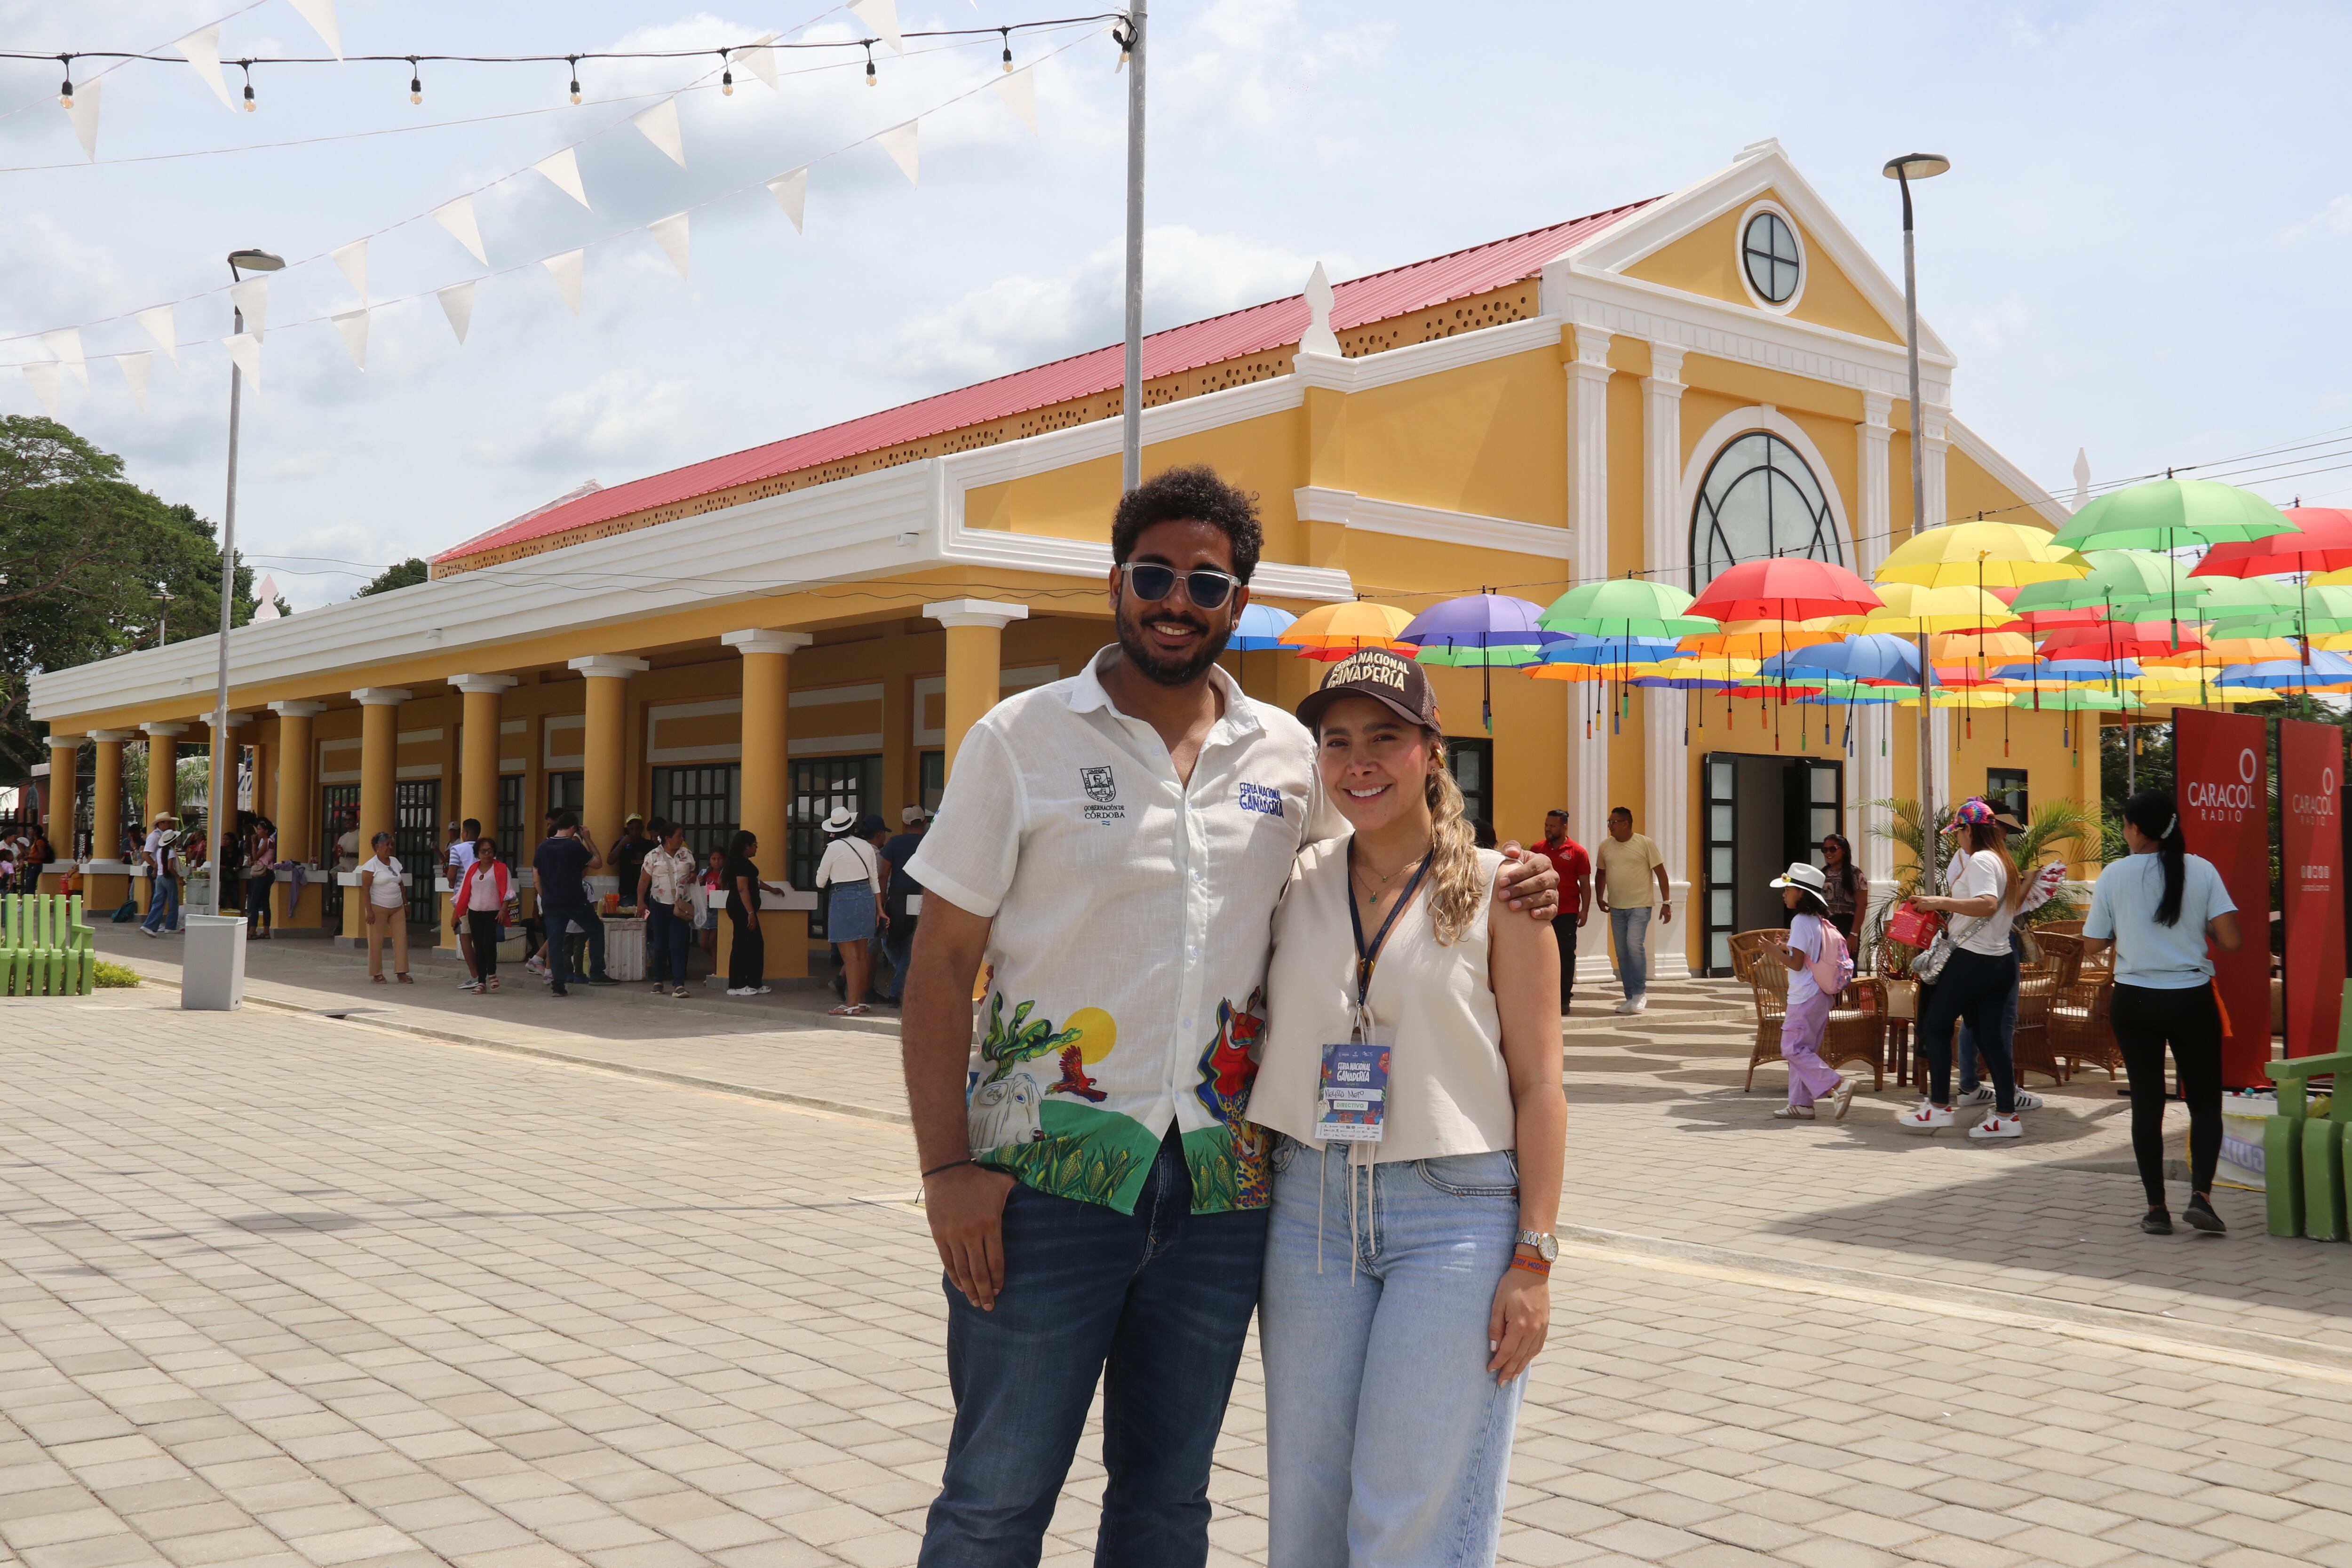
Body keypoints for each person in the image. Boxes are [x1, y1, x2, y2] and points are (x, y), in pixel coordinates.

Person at [897, 464, 1557, 1567]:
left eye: (1206, 582)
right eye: (1153, 573)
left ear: (1237, 604)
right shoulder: (1019, 739)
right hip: (1043, 1182)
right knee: (995, 1499)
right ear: (1116, 581)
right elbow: (938, 964)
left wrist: (1501, 875)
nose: (1176, 599)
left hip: (1223, 1192)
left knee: (1166, 1503)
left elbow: (1375, 853)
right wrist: (944, 1169)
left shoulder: (1286, 755)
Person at [1248, 651, 1565, 1567]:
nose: (1359, 760)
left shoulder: (1508, 891)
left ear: (1431, 750)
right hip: (1308, 1208)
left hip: (1453, 1218)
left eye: (1384, 737)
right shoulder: (1292, 878)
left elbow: (1540, 1083)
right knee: (1305, 1506)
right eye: (1337, 740)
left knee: (1407, 1515)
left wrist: (1534, 1257)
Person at [2083, 789, 2243, 1236]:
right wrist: (2204, 924)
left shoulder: (2115, 874)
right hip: (2192, 998)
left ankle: (2156, 1208)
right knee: (2206, 1102)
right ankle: (2202, 1198)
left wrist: (2126, 928)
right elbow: (2232, 941)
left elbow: (2093, 943)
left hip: (2134, 1000)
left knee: (2147, 1103)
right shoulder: (2202, 869)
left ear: (2135, 828)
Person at [1895, 797, 2028, 1139]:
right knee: (1990, 1038)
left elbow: (1986, 904)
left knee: (1935, 1025)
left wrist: (1939, 901)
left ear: (1970, 829)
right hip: (1999, 961)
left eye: (1958, 833)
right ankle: (2006, 1116)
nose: (1958, 839)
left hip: (1973, 959)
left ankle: (1938, 1106)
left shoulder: (1982, 859)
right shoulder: (2003, 861)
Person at [1764, 862, 1860, 1122]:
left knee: (1792, 1049)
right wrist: (1786, 946)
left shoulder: (1800, 921)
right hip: (1819, 995)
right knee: (1804, 1050)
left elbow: (1796, 964)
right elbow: (1805, 957)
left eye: (1788, 890)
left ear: (1801, 893)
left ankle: (1838, 1084)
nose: (1784, 895)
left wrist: (1773, 951)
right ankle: (1801, 1104)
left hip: (1804, 996)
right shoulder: (1817, 921)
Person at [1594, 805, 1669, 1014]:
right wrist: (1599, 898)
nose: (1610, 826)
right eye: (1609, 822)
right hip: (1617, 907)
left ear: (1626, 824)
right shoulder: (1605, 847)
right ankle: (1630, 997)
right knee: (1622, 953)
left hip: (1640, 905)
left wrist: (1667, 903)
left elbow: (1661, 873)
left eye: (1613, 822)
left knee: (1634, 945)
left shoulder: (1645, 843)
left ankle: (1639, 994)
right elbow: (1601, 874)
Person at [532, 812, 612, 997]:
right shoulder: (574, 846)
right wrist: (588, 839)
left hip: (551, 900)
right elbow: (598, 863)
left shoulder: (543, 847)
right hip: (574, 899)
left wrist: (546, 897)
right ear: (573, 828)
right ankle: (597, 973)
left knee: (555, 940)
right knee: (596, 929)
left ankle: (558, 985)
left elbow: (537, 876)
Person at [816, 807, 886, 1016]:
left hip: (843, 897)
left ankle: (852, 1003)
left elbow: (820, 882)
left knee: (850, 957)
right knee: (862, 955)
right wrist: (880, 909)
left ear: (833, 830)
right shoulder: (866, 846)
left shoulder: (833, 848)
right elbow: (875, 880)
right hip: (867, 897)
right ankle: (861, 1000)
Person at [1536, 808, 1591, 1013]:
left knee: (1566, 955)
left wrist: (1584, 911)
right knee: (1540, 956)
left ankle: (1563, 999)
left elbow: (1585, 884)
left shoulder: (1578, 852)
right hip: (1541, 911)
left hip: (1567, 912)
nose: (1548, 829)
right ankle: (1542, 998)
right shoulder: (1537, 849)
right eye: (1546, 825)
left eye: (1552, 826)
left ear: (1564, 827)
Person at [722, 829, 788, 997]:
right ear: (746, 847)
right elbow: (742, 888)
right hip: (741, 909)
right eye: (755, 845)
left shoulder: (743, 863)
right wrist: (750, 913)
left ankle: (754, 982)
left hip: (744, 908)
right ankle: (737, 985)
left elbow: (755, 882)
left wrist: (771, 889)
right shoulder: (741, 864)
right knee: (742, 945)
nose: (756, 849)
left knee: (756, 945)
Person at [637, 820, 697, 998]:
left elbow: (694, 872)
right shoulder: (653, 856)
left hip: (681, 906)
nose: (682, 839)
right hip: (659, 904)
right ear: (668, 839)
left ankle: (679, 984)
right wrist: (641, 901)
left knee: (678, 944)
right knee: (661, 944)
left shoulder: (687, 854)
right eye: (678, 836)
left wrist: (693, 877)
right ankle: (658, 980)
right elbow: (644, 881)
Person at [878, 806, 929, 1003]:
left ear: (904, 824)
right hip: (924, 896)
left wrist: (881, 904)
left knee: (890, 939)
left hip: (899, 896)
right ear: (924, 822)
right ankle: (904, 981)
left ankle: (898, 990)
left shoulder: (895, 843)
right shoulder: (930, 842)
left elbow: (883, 875)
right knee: (911, 942)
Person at [453, 837, 513, 994]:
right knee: (478, 947)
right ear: (477, 853)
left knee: (489, 943)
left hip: (493, 913)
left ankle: (492, 972)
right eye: (483, 851)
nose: (487, 854)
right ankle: (481, 981)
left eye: (490, 851)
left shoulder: (501, 868)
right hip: (474, 913)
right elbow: (463, 892)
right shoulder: (472, 869)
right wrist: (457, 913)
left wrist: (503, 910)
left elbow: (508, 892)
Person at [358, 831, 412, 984]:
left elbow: (401, 884)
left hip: (397, 908)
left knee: (401, 939)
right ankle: (377, 974)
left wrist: (405, 904)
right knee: (376, 941)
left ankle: (402, 972)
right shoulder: (371, 865)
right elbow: (366, 889)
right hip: (378, 907)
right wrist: (369, 911)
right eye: (387, 844)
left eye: (391, 844)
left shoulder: (395, 862)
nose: (390, 847)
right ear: (377, 847)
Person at [446, 818, 482, 984]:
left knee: (465, 936)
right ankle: (485, 973)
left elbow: (452, 874)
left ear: (465, 833)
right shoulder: (485, 849)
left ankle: (475, 976)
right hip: (482, 898)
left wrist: (451, 882)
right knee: (479, 937)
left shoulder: (457, 849)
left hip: (464, 898)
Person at [139, 813, 180, 937]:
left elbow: (157, 862)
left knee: (159, 900)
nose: (170, 825)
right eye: (168, 823)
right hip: (165, 875)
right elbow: (146, 855)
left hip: (160, 874)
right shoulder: (155, 838)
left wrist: (157, 870)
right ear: (161, 824)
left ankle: (150, 925)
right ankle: (170, 926)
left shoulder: (161, 847)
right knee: (172, 901)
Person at [1820, 832, 1864, 945]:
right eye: (1825, 850)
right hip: (1825, 926)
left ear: (1843, 850)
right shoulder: (1821, 874)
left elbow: (1862, 905)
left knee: (1846, 962)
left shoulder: (1855, 874)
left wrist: (1854, 935)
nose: (1828, 853)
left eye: (1833, 849)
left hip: (1847, 926)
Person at [611, 815, 653, 912]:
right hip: (628, 893)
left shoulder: (649, 845)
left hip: (647, 892)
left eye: (638, 829)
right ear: (628, 830)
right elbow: (610, 861)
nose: (635, 832)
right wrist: (622, 844)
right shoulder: (621, 844)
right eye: (632, 829)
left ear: (642, 829)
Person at [246, 815, 276, 938]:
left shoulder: (267, 841)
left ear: (266, 831)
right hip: (267, 873)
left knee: (254, 902)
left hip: (264, 873)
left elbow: (256, 856)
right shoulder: (265, 842)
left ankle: (253, 931)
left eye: (259, 829)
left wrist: (254, 844)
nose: (257, 832)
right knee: (265, 902)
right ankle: (266, 931)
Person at [699, 845, 727, 968]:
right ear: (709, 860)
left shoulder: (725, 874)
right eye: (714, 859)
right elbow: (697, 889)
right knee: (704, 943)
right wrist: (698, 882)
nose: (717, 861)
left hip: (718, 909)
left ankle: (716, 970)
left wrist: (724, 885)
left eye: (720, 859)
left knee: (713, 942)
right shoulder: (705, 873)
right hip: (706, 907)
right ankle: (720, 961)